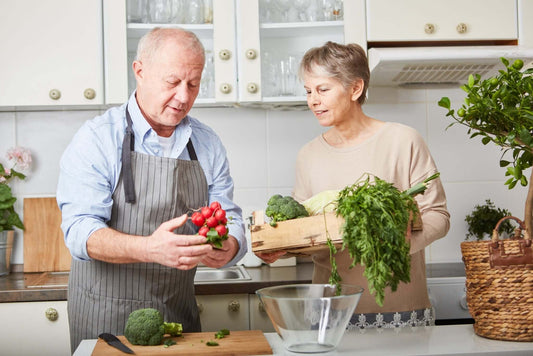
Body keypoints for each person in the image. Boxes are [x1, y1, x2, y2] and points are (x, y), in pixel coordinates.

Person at [57, 27, 247, 351]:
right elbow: (80, 231)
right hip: (105, 323)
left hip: (179, 321)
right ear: (140, 72)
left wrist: (231, 245)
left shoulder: (208, 143)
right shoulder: (97, 139)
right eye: (172, 82)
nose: (184, 96)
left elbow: (229, 217)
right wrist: (149, 248)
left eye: (194, 83)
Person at [257, 41, 450, 328]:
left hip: (398, 305)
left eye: (323, 89)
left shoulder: (403, 140)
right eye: (308, 91)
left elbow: (439, 216)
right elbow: (302, 229)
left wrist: (396, 247)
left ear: (355, 88)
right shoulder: (308, 155)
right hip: (329, 308)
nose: (312, 100)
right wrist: (282, 247)